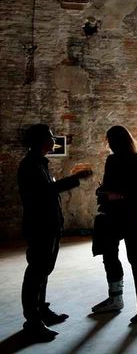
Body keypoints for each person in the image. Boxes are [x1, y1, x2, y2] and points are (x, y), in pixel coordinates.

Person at [17, 124, 93, 341]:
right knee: (36, 273)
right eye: (50, 137)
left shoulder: (38, 163)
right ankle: (32, 321)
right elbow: (45, 192)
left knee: (44, 270)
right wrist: (74, 179)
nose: (54, 140)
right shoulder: (31, 165)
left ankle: (41, 311)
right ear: (40, 141)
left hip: (48, 225)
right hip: (39, 226)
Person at [91, 125, 137, 324]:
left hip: (128, 216)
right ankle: (115, 298)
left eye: (110, 140)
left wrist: (119, 194)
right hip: (113, 215)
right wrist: (103, 192)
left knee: (134, 257)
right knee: (109, 255)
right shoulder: (112, 160)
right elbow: (107, 187)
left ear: (118, 141)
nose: (109, 144)